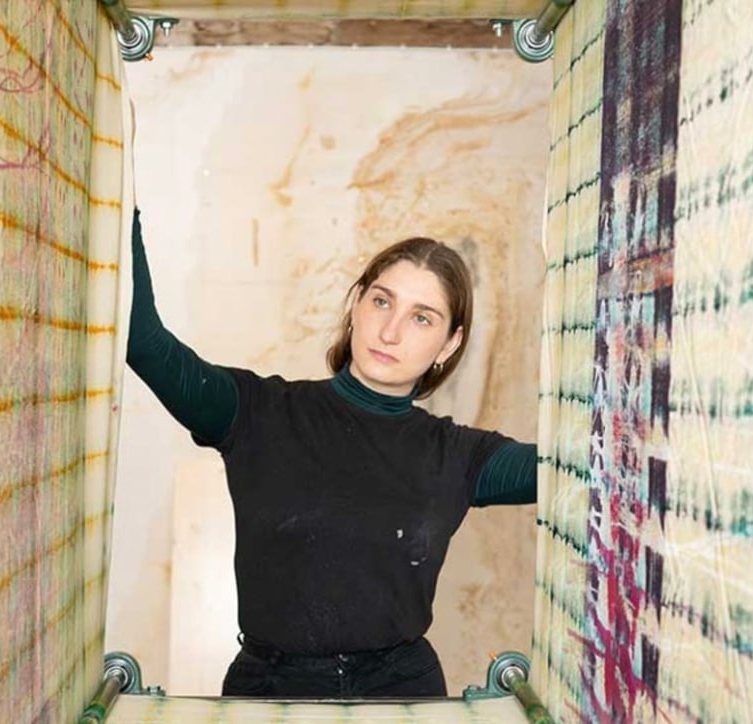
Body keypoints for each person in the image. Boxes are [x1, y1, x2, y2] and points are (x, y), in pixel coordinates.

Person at [126, 207, 537, 699]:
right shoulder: (257, 412)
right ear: (357, 304)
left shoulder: (460, 456)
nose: (391, 331)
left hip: (402, 697)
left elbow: (585, 468)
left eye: (421, 318)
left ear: (449, 344)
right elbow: (142, 341)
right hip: (270, 693)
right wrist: (120, 196)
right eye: (382, 302)